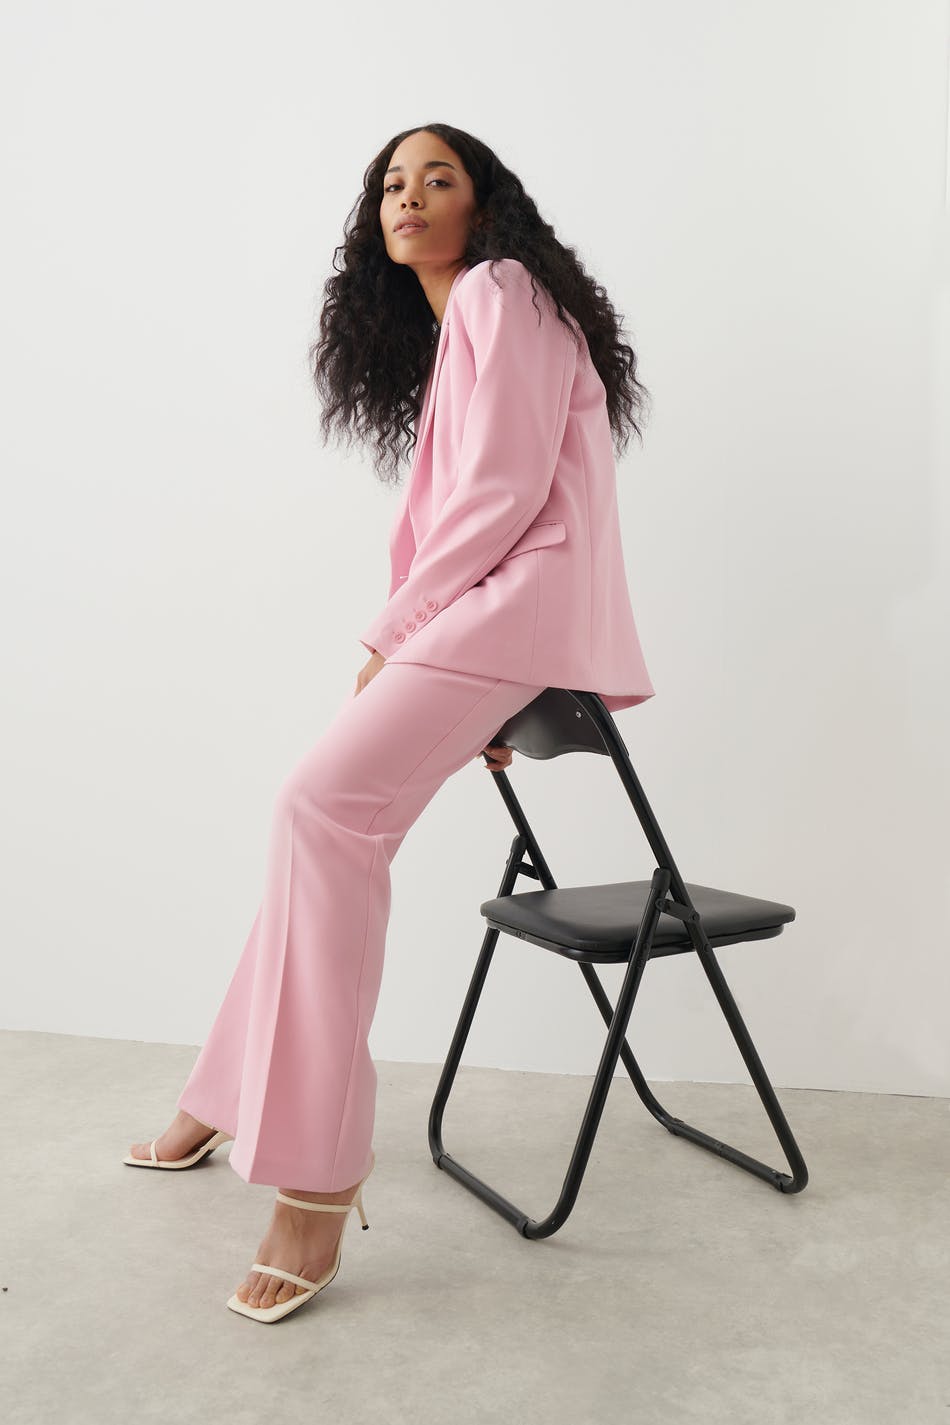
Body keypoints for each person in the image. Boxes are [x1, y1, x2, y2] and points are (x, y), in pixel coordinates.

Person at [124, 122, 656, 1323]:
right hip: (498, 618)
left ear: (484, 203)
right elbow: (473, 498)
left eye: (437, 179)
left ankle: (316, 1180)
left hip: (507, 610)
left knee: (318, 812)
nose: (408, 197)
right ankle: (223, 1092)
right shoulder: (468, 317)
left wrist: (394, 632)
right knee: (317, 830)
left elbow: (502, 494)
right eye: (390, 185)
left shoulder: (501, 290)